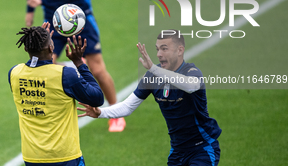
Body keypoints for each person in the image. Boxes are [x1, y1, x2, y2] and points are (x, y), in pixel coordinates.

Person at [24, 0, 125, 132]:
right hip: (52, 19)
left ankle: (115, 113)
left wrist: (41, 0)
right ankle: (73, 71)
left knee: (97, 69)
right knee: (44, 66)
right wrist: (30, 10)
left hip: (79, 18)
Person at [78, 30, 222, 166]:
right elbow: (128, 106)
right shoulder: (152, 77)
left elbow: (191, 86)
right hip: (178, 151)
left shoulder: (192, 72)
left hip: (202, 148)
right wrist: (101, 113)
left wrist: (154, 69)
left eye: (164, 49)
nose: (159, 54)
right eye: (157, 49)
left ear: (179, 50)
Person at [8, 22, 104, 165]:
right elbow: (97, 98)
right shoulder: (65, 75)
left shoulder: (14, 73)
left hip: (32, 157)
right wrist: (79, 63)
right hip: (64, 157)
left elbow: (39, 78)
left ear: (26, 47)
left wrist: (41, 40)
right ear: (51, 47)